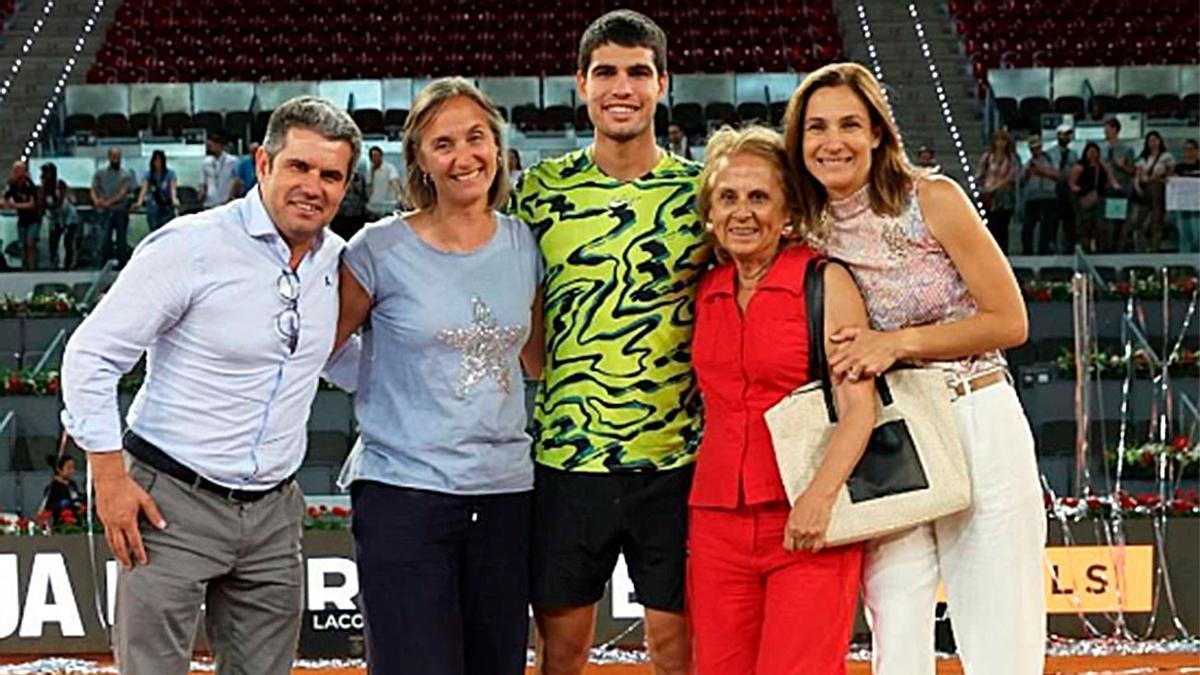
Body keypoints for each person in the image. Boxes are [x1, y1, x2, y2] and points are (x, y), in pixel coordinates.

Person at [61, 96, 362, 675]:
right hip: (168, 504)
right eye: (300, 167)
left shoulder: (339, 264)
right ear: (264, 162)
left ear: (345, 186)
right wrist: (108, 478)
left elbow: (342, 361)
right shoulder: (191, 246)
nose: (313, 186)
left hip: (275, 514)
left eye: (331, 175)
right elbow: (91, 355)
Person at [784, 62, 1044, 675]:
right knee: (895, 621)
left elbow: (1010, 320)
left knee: (999, 622)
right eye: (816, 127)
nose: (833, 141)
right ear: (798, 141)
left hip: (975, 413)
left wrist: (897, 343)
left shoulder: (933, 197)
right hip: (885, 436)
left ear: (877, 132)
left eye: (850, 123)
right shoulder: (801, 228)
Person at [511, 10, 705, 675]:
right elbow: (527, 331)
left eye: (637, 72)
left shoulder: (700, 194)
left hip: (678, 462)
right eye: (605, 72)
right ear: (581, 83)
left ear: (662, 83)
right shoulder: (540, 192)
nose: (621, 87)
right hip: (567, 461)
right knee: (561, 652)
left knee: (675, 649)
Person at [331, 77, 542, 675]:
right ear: (420, 159)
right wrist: (382, 385)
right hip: (404, 496)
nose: (463, 156)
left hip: (505, 496)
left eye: (476, 138)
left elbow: (536, 359)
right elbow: (323, 348)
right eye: (442, 143)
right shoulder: (376, 248)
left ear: (498, 148)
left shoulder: (525, 243)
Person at [687, 125, 876, 673]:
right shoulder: (706, 290)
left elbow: (860, 408)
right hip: (716, 519)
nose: (742, 212)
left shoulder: (824, 281)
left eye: (758, 197)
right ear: (711, 212)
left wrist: (819, 498)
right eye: (728, 197)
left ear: (788, 212)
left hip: (806, 518)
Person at [1125, 130, 1175, 252]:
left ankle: (1154, 248)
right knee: (1137, 222)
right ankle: (1141, 247)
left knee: (1156, 221)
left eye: (1155, 140)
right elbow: (1137, 174)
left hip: (1158, 190)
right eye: (1150, 141)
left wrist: (1158, 177)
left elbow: (1170, 173)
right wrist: (1138, 187)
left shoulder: (1166, 157)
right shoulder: (1143, 158)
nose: (1152, 143)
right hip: (1143, 191)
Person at [1068, 142, 1118, 253]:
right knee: (1085, 227)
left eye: (1095, 152)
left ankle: (1100, 248)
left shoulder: (1102, 167)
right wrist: (1081, 190)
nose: (1092, 155)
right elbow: (1072, 183)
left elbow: (1110, 180)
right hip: (1084, 199)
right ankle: (1085, 249)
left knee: (1100, 227)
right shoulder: (1080, 167)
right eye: (1090, 152)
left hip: (1100, 199)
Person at [91, 147, 134, 267]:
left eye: (118, 156)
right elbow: (94, 188)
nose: (116, 159)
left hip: (120, 211)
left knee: (121, 240)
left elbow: (122, 193)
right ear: (109, 157)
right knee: (104, 240)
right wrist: (96, 201)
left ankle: (122, 266)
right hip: (104, 213)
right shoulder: (100, 173)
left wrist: (107, 203)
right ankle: (103, 265)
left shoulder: (126, 174)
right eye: (114, 156)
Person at [977, 130, 1018, 253]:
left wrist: (996, 187)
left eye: (1003, 140)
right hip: (988, 196)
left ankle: (1003, 252)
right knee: (990, 225)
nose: (1000, 144)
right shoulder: (987, 157)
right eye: (998, 140)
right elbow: (980, 173)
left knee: (1002, 227)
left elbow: (1011, 177)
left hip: (1004, 196)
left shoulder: (1011, 159)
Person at [1020, 134, 1059, 255]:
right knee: (1028, 226)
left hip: (1048, 196)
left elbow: (1057, 175)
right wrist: (1027, 173)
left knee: (1047, 225)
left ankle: (1044, 250)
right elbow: (1021, 181)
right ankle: (1028, 251)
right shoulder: (1027, 163)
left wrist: (1041, 171)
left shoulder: (1050, 159)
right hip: (1032, 197)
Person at [1102, 118, 1135, 251]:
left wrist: (1121, 165)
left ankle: (1119, 248)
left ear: (1115, 129)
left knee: (1120, 221)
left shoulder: (1127, 149)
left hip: (1121, 188)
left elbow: (1132, 170)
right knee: (1107, 222)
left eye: (1107, 128)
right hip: (1105, 188)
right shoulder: (1101, 149)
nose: (1105, 131)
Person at [40, 163, 78, 270]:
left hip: (68, 217)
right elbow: (42, 203)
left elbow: (60, 202)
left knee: (68, 242)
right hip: (55, 219)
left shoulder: (60, 185)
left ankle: (68, 265)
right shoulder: (45, 188)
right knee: (53, 241)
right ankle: (54, 263)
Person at [1048, 123, 1078, 253]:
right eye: (1062, 134)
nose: (1065, 137)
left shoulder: (1074, 154)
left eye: (1067, 135)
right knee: (1053, 221)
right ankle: (1051, 246)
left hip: (1068, 191)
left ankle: (1069, 248)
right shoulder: (1050, 153)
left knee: (1069, 221)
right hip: (1054, 190)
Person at [5, 161, 40, 270]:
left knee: (30, 244)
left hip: (33, 219)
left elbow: (32, 204)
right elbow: (5, 198)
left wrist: (15, 205)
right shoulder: (13, 185)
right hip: (22, 220)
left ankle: (32, 268)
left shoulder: (29, 185)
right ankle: (24, 267)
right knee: (22, 246)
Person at [134, 150, 179, 232]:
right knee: (154, 229)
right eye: (156, 160)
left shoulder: (170, 173)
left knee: (167, 229)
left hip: (166, 204)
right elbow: (144, 189)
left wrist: (174, 200)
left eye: (160, 160)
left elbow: (173, 188)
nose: (158, 162)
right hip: (153, 205)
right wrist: (139, 202)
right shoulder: (148, 174)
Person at [200, 132, 240, 209]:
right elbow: (204, 182)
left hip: (226, 201)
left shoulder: (232, 161)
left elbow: (237, 180)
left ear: (219, 145)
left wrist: (231, 196)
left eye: (211, 146)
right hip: (210, 201)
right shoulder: (206, 162)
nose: (209, 149)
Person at [40, 455, 84, 525]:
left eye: (73, 468)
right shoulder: (53, 487)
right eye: (68, 468)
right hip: (60, 523)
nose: (72, 471)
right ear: (59, 469)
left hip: (75, 521)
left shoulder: (72, 484)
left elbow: (76, 499)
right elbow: (47, 508)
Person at [1174, 139, 1200, 253]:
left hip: (1198, 204)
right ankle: (1184, 257)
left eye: (1191, 149)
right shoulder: (1179, 167)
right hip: (1183, 204)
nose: (1189, 152)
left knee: (1197, 232)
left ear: (1196, 151)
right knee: (1184, 232)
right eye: (1186, 149)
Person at [364, 145, 402, 219]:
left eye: (377, 156)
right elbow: (368, 188)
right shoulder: (369, 172)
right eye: (373, 157)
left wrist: (399, 196)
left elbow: (395, 182)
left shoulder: (389, 168)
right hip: (373, 207)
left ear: (381, 156)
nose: (375, 159)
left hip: (388, 207)